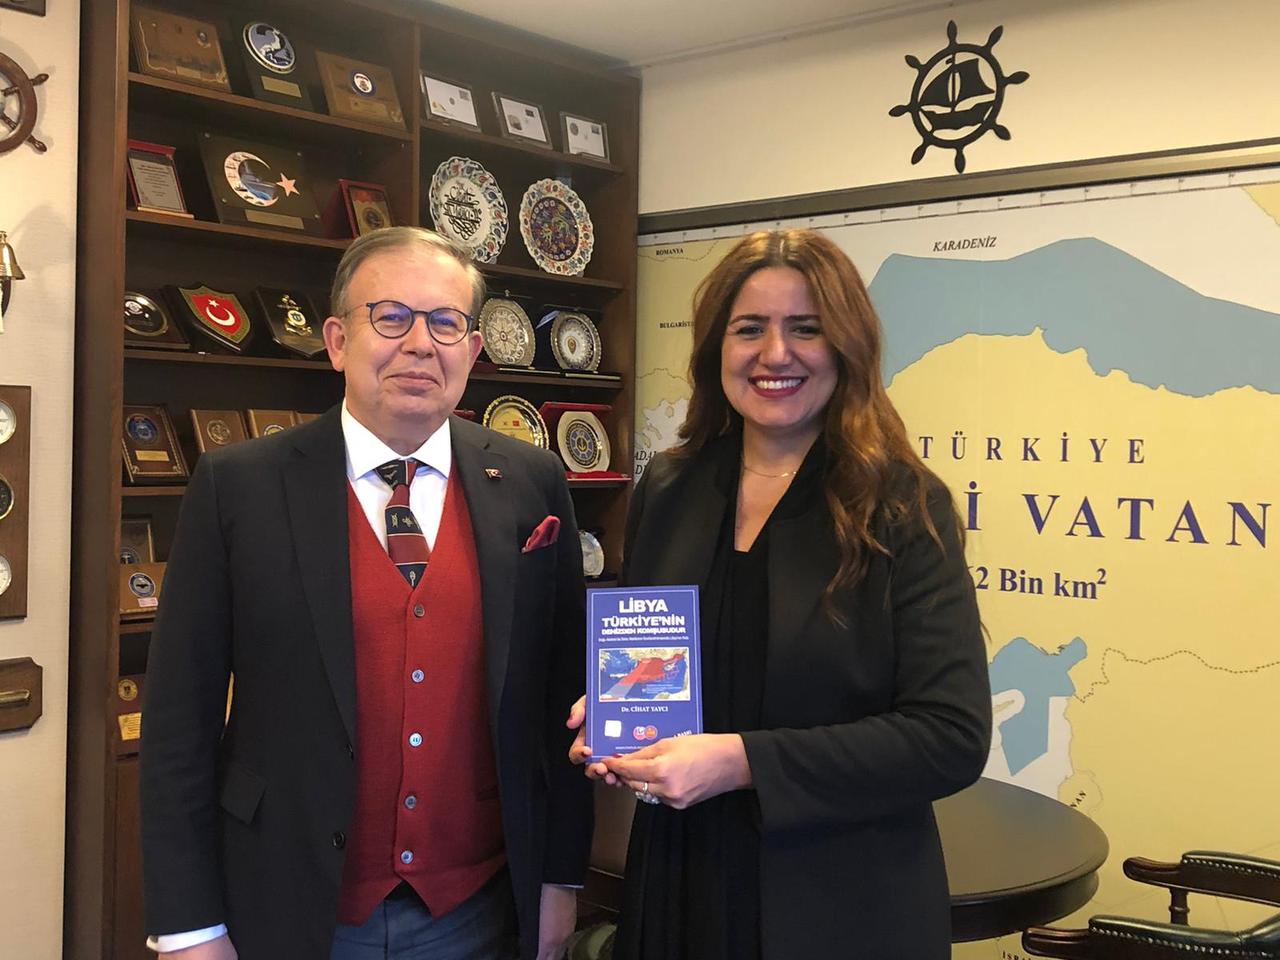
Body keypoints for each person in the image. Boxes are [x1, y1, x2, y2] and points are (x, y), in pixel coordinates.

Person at [140, 227, 591, 960]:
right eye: (391, 317)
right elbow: (177, 723)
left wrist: (560, 879)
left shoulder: (532, 481)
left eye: (445, 322)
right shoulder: (238, 486)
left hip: (478, 911)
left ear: (473, 350)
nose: (420, 344)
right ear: (337, 340)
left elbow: (561, 702)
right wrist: (190, 926)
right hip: (289, 903)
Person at [570, 229, 992, 959]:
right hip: (681, 882)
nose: (775, 354)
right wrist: (612, 712)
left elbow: (950, 737)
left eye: (806, 328)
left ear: (848, 346)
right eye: (749, 329)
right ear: (717, 348)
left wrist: (741, 762)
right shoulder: (670, 487)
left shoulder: (902, 507)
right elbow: (653, 657)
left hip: (839, 903)